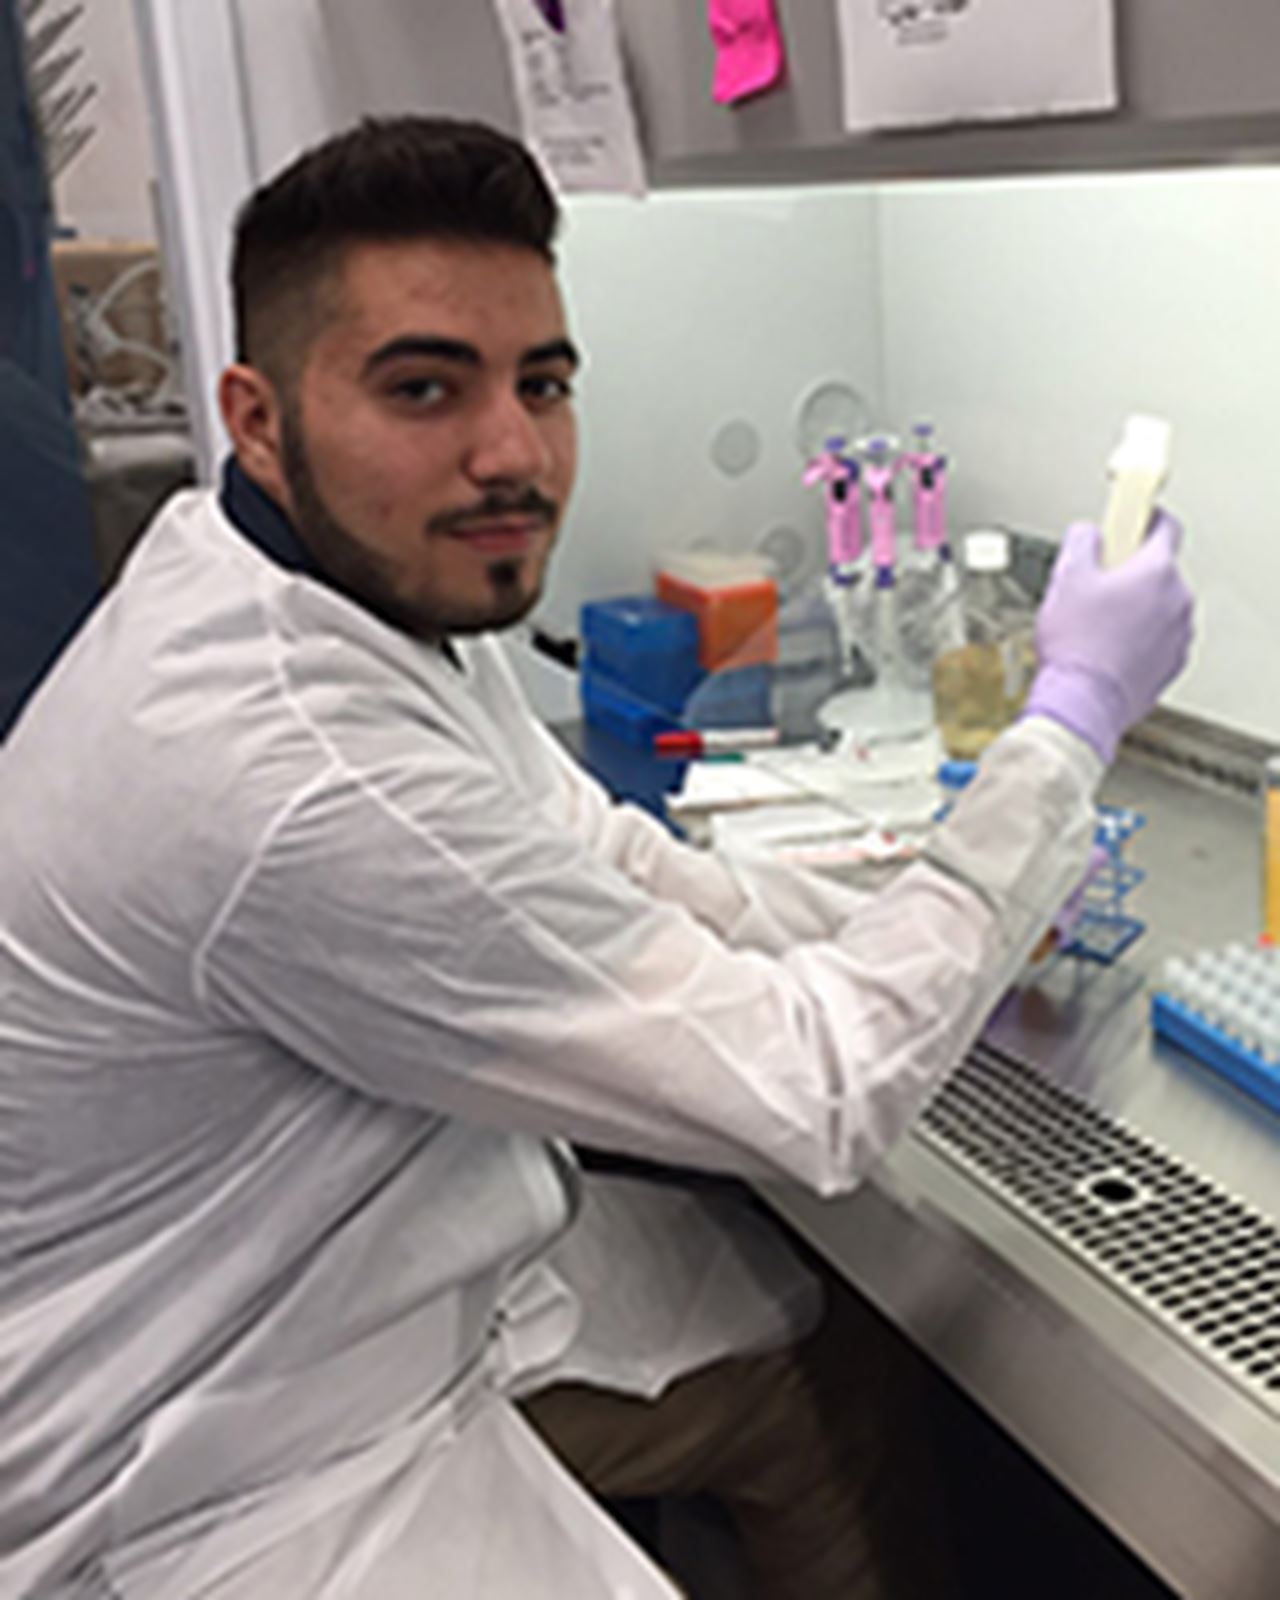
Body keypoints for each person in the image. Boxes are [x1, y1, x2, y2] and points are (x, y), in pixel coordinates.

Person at [0, 116, 1193, 1599]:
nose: (511, 453)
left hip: (352, 1301)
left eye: (542, 383)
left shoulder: (347, 595)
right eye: (424, 387)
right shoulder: (289, 768)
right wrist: (1068, 722)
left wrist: (950, 896)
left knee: (815, 1353)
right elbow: (816, 1100)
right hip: (196, 1470)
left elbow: (635, 874)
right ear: (253, 415)